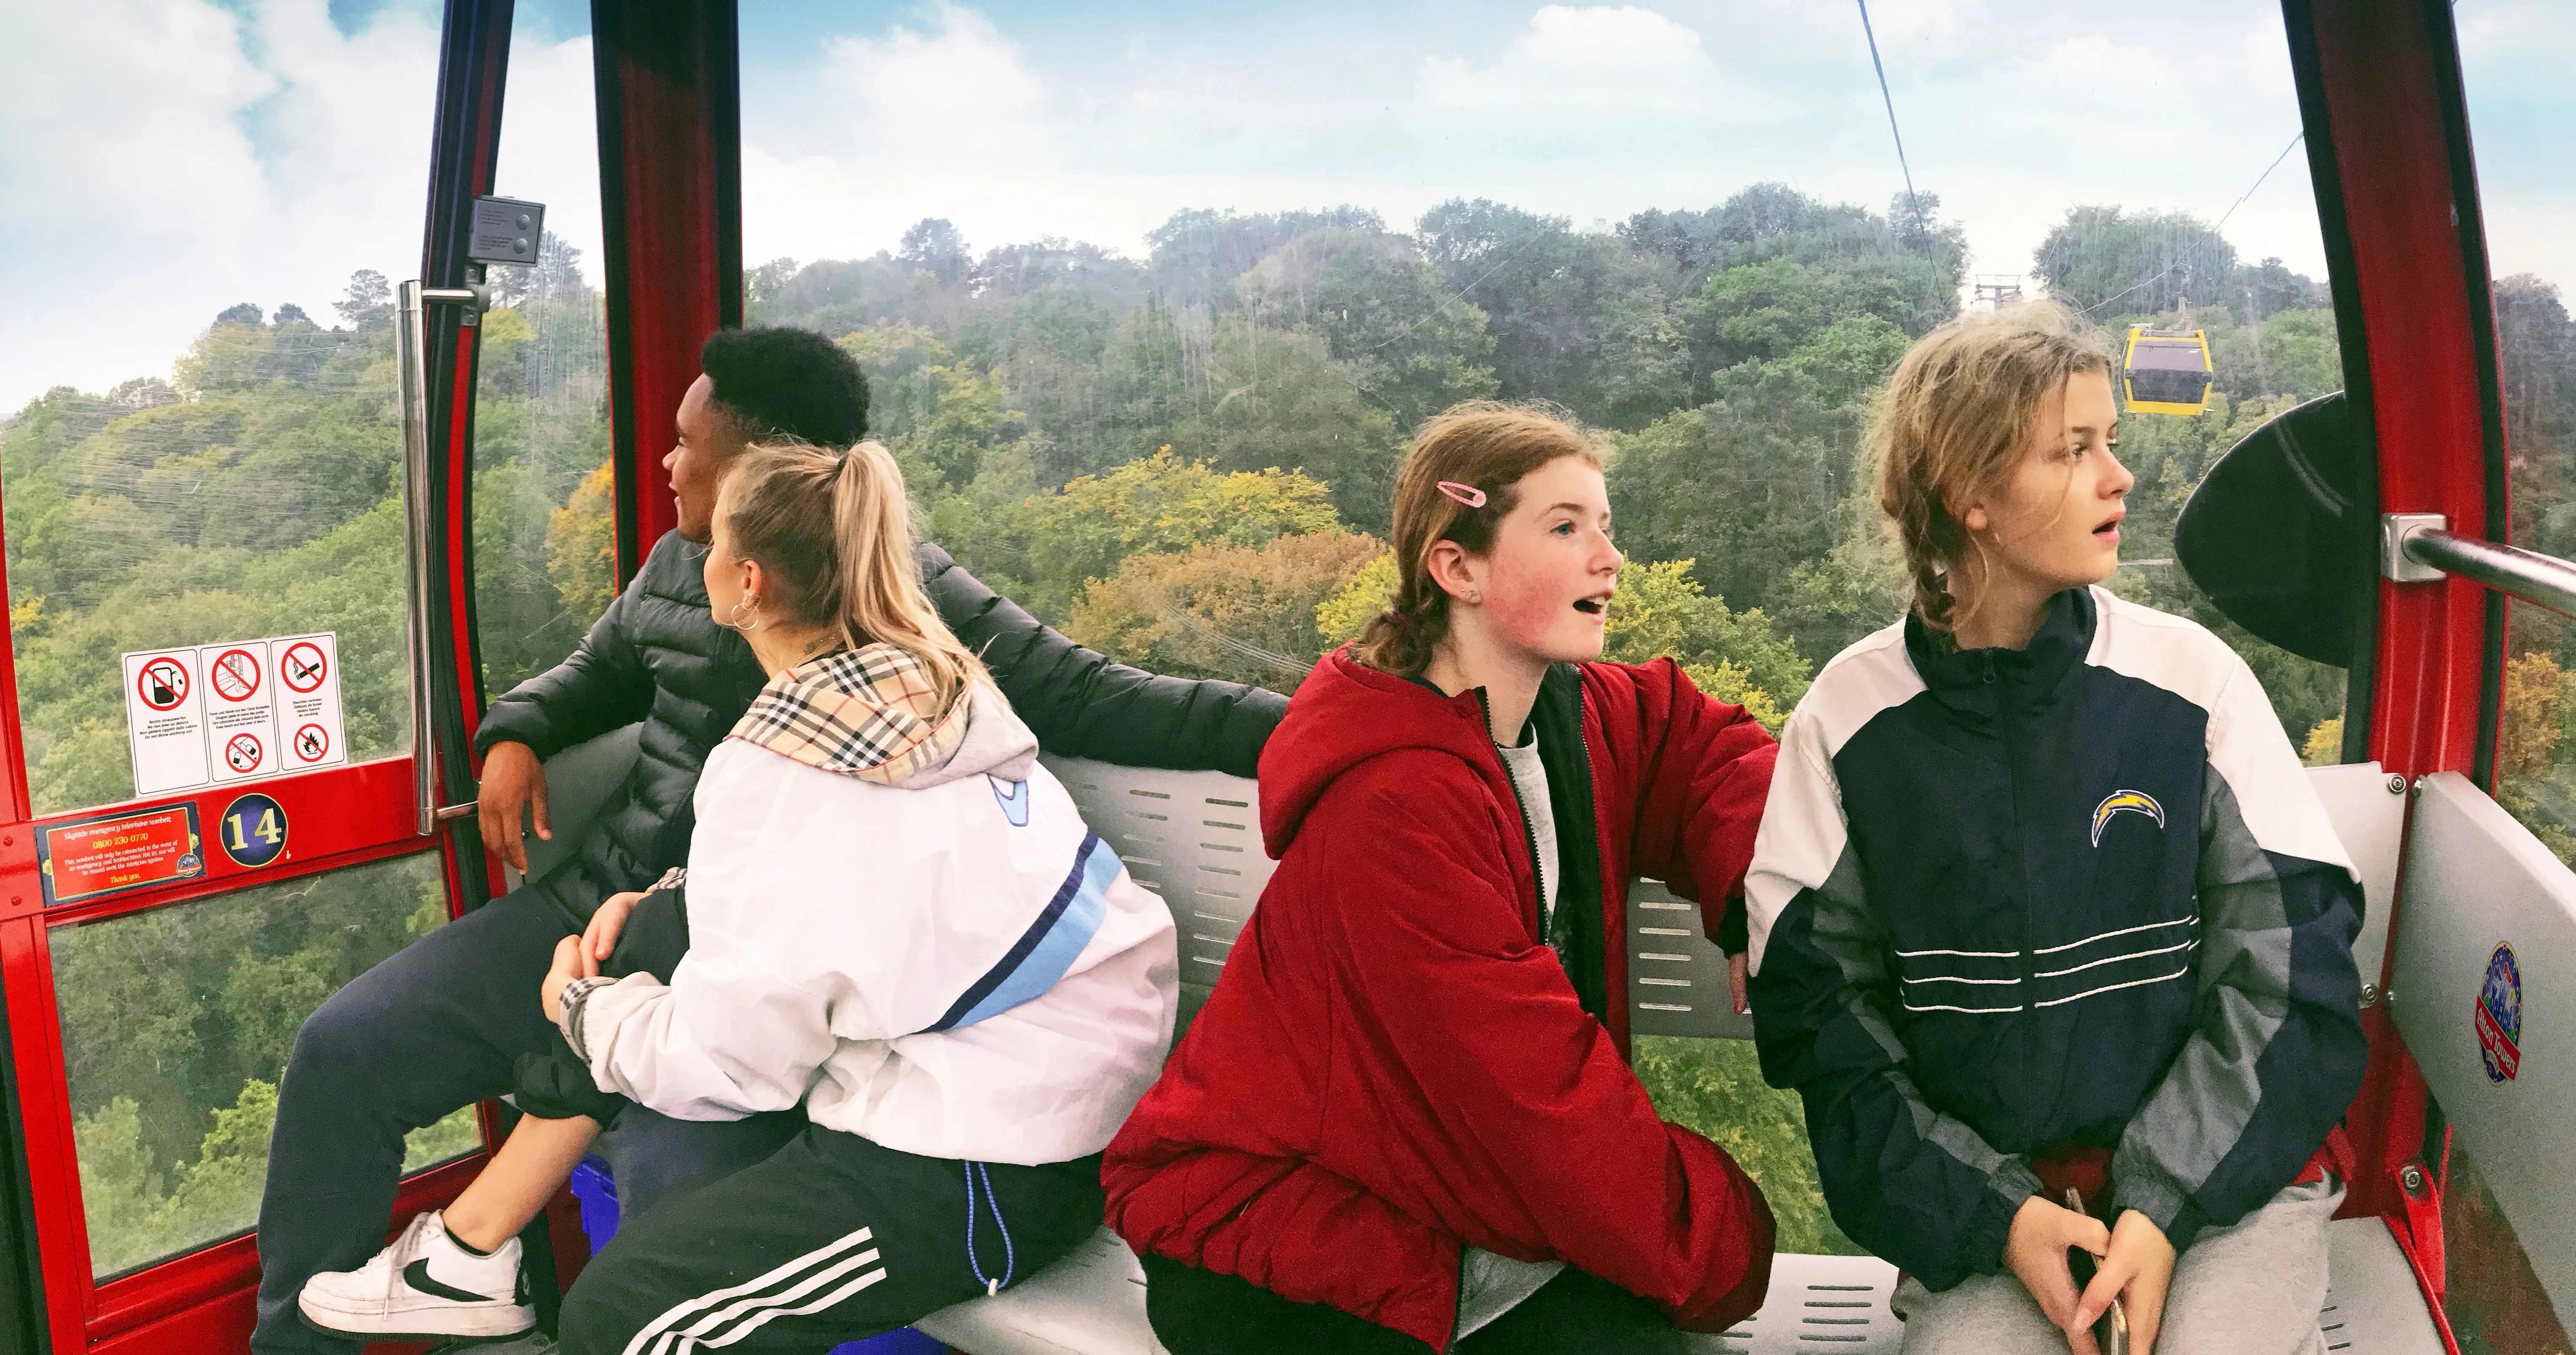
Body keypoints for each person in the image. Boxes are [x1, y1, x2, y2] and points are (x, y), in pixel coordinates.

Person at [260, 327, 1283, 1354]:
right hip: (613, 905)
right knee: (343, 1052)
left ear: (760, 478)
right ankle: (312, 1336)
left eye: (684, 441)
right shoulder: (672, 570)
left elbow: (1107, 700)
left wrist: (1332, 723)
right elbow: (594, 671)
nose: (665, 463)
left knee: (667, 1214)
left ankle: (478, 1255)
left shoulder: (898, 606)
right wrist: (517, 730)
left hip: (755, 978)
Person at [1746, 303, 2369, 1355]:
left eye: (2109, 443)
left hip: (2221, 1185)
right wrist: (2000, 1217)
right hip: (2000, 1214)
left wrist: (2162, 1205)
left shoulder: (2186, 687)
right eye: (2073, 451)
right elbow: (1824, 1026)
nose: (2118, 478)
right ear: (1972, 497)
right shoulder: (1851, 724)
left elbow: (2293, 967)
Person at [1102, 402, 1780, 1355]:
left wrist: (1762, 900)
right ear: (1456, 567)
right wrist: (1732, 1244)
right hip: (1285, 1226)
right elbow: (1538, 1103)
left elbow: (1706, 750)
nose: (1608, 557)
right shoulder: (1394, 807)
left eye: (1605, 525)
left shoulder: (1570, 716)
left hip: (1443, 1191)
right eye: (1563, 527)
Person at [520, 435, 1175, 1355]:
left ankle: (475, 1246)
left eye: (710, 548)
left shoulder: (780, 767)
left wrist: (583, 1010)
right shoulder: (938, 695)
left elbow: (733, 1067)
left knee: (626, 1319)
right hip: (1072, 1097)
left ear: (745, 583)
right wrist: (681, 895)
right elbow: (872, 882)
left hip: (980, 1163)